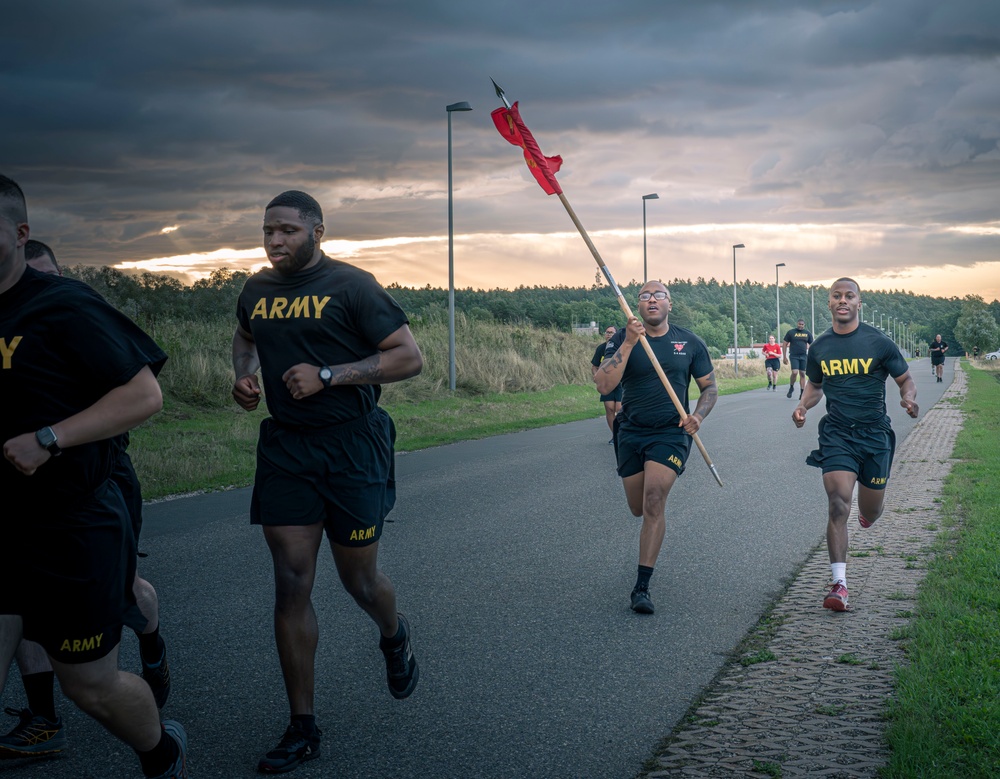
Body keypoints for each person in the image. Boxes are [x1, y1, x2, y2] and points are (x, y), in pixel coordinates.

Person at [0, 174, 186, 778]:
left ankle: (161, 752)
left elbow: (144, 395)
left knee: (89, 686)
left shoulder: (63, 304)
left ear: (20, 233)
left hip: (69, 525)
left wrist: (50, 440)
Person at [232, 190, 424, 774]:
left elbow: (408, 357)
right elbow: (245, 340)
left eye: (287, 230)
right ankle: (302, 726)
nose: (274, 242)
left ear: (318, 230)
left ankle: (393, 633)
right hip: (288, 448)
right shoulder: (256, 292)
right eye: (267, 231)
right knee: (291, 583)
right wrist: (244, 378)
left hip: (352, 445)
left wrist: (329, 375)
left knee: (359, 582)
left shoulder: (353, 286)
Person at [792, 278, 918, 612]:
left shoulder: (878, 342)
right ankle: (839, 584)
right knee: (837, 504)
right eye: (837, 296)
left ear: (859, 302)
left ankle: (868, 512)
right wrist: (804, 405)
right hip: (837, 434)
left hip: (875, 435)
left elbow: (904, 379)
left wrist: (908, 399)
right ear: (829, 303)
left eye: (849, 296)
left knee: (870, 510)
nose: (843, 300)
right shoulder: (819, 347)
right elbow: (816, 386)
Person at [595, 281, 717, 615]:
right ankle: (643, 569)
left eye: (658, 295)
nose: (652, 300)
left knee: (653, 501)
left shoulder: (689, 341)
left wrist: (698, 416)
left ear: (669, 304)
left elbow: (709, 387)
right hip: (631, 430)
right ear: (637, 305)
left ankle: (641, 587)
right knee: (637, 507)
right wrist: (632, 340)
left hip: (671, 432)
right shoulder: (622, 338)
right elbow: (604, 384)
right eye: (645, 296)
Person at [591, 326, 622, 442]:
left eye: (612, 332)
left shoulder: (621, 347)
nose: (609, 334)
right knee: (609, 408)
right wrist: (596, 375)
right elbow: (595, 366)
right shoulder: (601, 348)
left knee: (619, 408)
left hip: (620, 382)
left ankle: (623, 433)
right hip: (607, 382)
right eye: (607, 332)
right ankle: (615, 436)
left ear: (617, 334)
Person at [782, 318, 813, 399]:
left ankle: (802, 392)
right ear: (797, 324)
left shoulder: (807, 333)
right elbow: (785, 343)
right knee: (795, 372)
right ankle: (791, 387)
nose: (801, 326)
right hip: (794, 355)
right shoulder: (791, 332)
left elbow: (812, 345)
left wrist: (813, 356)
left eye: (802, 325)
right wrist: (784, 356)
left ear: (804, 325)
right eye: (799, 324)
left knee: (802, 373)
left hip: (803, 356)